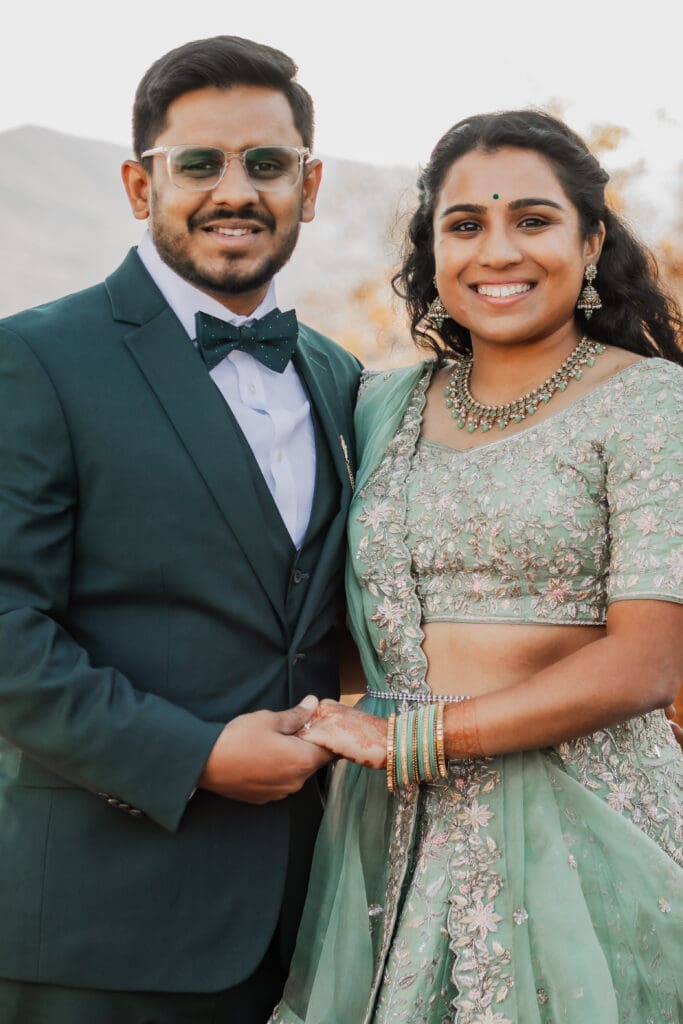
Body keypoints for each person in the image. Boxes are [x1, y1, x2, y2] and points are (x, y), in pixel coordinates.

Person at [273, 110, 683, 1024]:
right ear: (431, 252)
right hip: (387, 839)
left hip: (582, 831)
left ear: (591, 240)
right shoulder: (380, 405)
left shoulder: (652, 405)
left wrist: (407, 742)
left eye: (532, 220)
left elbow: (649, 661)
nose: (497, 250)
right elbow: (359, 623)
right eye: (465, 225)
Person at [0, 35, 360, 1024]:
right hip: (100, 930)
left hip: (306, 927)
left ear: (310, 183)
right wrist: (191, 756)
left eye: (266, 163)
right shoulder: (34, 358)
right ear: (137, 182)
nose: (233, 190)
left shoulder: (337, 375)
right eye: (197, 163)